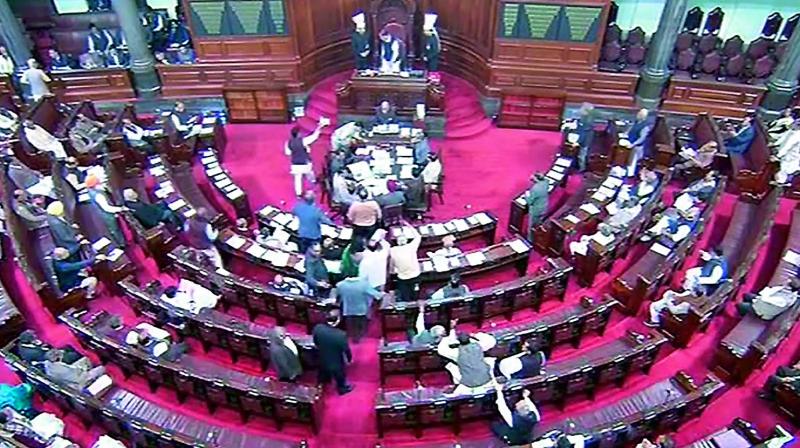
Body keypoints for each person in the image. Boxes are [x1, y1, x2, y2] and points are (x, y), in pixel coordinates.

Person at [312, 312, 354, 395]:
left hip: (321, 357)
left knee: (323, 371)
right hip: (336, 361)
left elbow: (315, 341)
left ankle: (324, 382)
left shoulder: (318, 328)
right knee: (339, 375)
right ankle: (342, 389)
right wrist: (349, 358)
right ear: (337, 321)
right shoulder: (340, 335)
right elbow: (346, 349)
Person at [285, 119, 328, 197]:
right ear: (298, 134)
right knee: (310, 174)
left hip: (295, 164)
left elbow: (288, 153)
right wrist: (319, 127)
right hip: (305, 163)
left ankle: (298, 194)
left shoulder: (288, 142)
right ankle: (313, 182)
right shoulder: (303, 141)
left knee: (297, 179)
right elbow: (314, 137)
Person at [334, 274, 382, 342]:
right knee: (361, 334)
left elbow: (337, 298)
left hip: (348, 311)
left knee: (351, 334)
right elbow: (377, 296)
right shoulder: (364, 284)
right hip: (361, 311)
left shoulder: (340, 285)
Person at [84, 174, 126, 247]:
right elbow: (107, 208)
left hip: (103, 213)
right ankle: (121, 244)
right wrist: (121, 209)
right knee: (114, 230)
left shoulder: (91, 190)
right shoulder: (98, 195)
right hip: (107, 215)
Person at [389, 225, 421, 301]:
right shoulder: (411, 246)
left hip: (403, 278)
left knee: (405, 296)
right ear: (406, 240)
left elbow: (391, 267)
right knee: (415, 294)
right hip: (415, 275)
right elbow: (418, 236)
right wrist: (410, 226)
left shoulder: (392, 250)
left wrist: (392, 273)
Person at [626, 108, 654, 176]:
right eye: (639, 113)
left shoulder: (645, 127)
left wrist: (633, 144)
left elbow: (642, 138)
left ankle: (630, 175)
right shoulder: (637, 122)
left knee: (633, 162)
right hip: (630, 142)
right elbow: (631, 129)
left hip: (637, 147)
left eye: (641, 114)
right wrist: (626, 133)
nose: (638, 115)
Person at [773, 119, 800, 184]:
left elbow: (787, 146)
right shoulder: (794, 132)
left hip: (791, 158)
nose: (793, 124)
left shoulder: (797, 134)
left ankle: (781, 182)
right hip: (791, 159)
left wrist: (777, 156)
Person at [526, 173, 550, 242]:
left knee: (531, 226)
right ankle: (537, 236)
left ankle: (530, 240)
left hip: (536, 210)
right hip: (544, 207)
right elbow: (544, 179)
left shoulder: (535, 188)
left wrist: (527, 194)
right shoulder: (546, 183)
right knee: (539, 223)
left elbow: (529, 201)